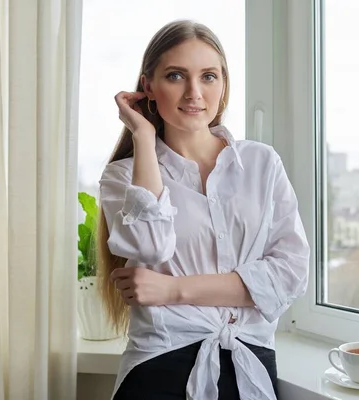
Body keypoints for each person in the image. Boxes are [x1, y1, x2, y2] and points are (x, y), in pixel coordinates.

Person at [97, 19, 310, 400]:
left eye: (209, 76)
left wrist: (173, 289)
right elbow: (149, 248)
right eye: (176, 76)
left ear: (224, 83)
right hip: (159, 366)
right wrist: (143, 137)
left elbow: (289, 275)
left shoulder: (262, 163)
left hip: (250, 363)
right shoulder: (123, 177)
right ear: (148, 85)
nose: (194, 92)